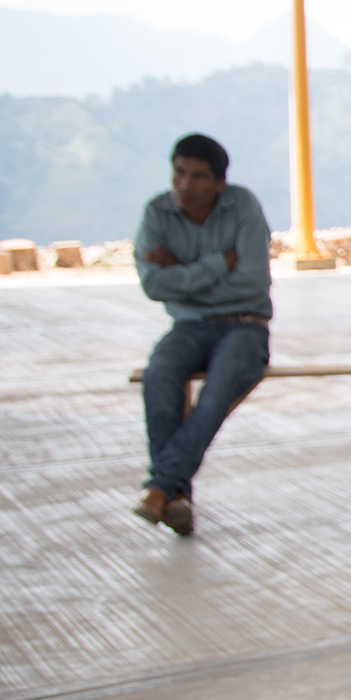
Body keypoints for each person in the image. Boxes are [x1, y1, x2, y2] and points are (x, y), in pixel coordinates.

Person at [132, 133, 272, 534]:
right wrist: (216, 265)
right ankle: (175, 496)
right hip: (188, 327)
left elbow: (251, 283)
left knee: (218, 391)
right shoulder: (158, 211)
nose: (184, 185)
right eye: (179, 173)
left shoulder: (242, 206)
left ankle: (160, 487)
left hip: (244, 325)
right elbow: (153, 286)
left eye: (197, 177)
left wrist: (182, 270)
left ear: (218, 183)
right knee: (158, 375)